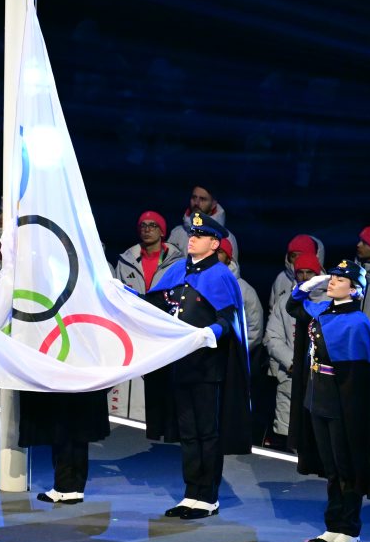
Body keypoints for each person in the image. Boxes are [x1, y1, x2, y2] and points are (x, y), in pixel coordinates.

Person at [145, 212, 251, 520]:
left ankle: (208, 496)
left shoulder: (220, 276)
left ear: (214, 243)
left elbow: (228, 321)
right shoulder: (177, 269)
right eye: (191, 233)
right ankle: (191, 493)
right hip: (181, 365)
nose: (191, 238)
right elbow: (156, 303)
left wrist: (209, 334)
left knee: (207, 432)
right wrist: (126, 297)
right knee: (188, 432)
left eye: (199, 235)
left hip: (208, 367)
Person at [286, 260, 370, 542]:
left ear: (355, 290)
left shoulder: (357, 323)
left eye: (339, 280)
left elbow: (362, 378)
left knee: (348, 467)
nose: (331, 282)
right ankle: (333, 525)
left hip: (344, 404)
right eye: (331, 277)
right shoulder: (323, 311)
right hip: (319, 399)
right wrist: (306, 288)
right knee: (330, 467)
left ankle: (349, 528)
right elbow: (294, 308)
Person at [114, 210, 182, 421]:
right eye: (143, 225)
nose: (147, 229)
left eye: (152, 225)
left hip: (162, 330)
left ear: (162, 231)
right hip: (132, 327)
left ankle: (158, 421)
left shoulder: (177, 262)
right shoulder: (126, 260)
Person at [263, 252, 325, 449]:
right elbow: (272, 337)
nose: (305, 277)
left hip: (320, 376)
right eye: (300, 272)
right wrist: (293, 362)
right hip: (290, 374)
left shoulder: (329, 303)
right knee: (287, 430)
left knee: (317, 430)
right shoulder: (285, 302)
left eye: (310, 273)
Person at [167, 185, 238, 260]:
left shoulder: (227, 237)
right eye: (194, 198)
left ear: (213, 204)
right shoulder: (176, 233)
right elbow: (166, 265)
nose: (196, 203)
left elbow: (232, 269)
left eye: (203, 199)